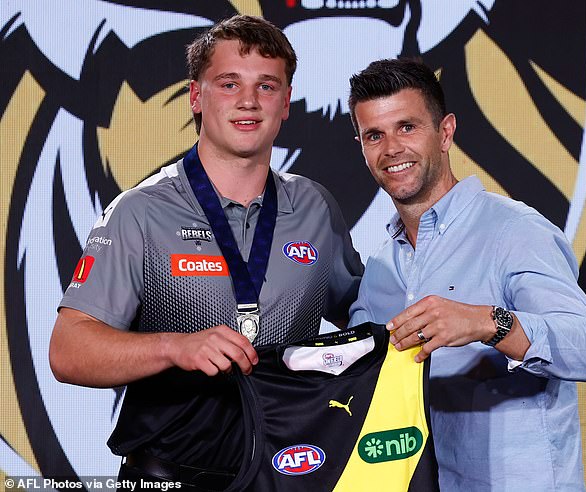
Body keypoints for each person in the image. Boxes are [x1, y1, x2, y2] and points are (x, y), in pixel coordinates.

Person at [49, 15, 363, 489]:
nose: (249, 101)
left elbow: (365, 315)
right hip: (168, 476)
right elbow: (67, 350)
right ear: (197, 96)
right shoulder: (140, 212)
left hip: (287, 475)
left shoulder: (315, 207)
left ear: (286, 104)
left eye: (267, 86)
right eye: (229, 83)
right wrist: (175, 345)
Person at [346, 58, 586, 491]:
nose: (391, 148)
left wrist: (489, 322)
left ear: (446, 131)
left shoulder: (515, 230)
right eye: (374, 135)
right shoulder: (378, 271)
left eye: (407, 127)